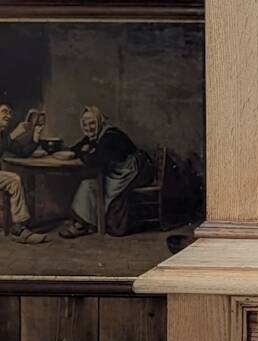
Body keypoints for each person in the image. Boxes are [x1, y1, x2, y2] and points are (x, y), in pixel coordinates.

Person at [59, 106, 154, 238]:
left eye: (92, 123)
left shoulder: (110, 136)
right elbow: (75, 148)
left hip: (131, 171)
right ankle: (84, 222)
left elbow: (95, 160)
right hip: (118, 171)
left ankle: (82, 224)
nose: (88, 128)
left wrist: (85, 153)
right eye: (85, 124)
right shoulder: (97, 135)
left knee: (98, 188)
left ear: (99, 121)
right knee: (88, 185)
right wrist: (84, 150)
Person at [0, 103, 48, 244]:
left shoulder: (3, 136)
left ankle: (19, 227)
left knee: (14, 180)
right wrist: (14, 134)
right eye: (4, 111)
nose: (8, 115)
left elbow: (23, 152)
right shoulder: (6, 137)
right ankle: (20, 230)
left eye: (9, 112)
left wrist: (36, 135)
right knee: (14, 180)